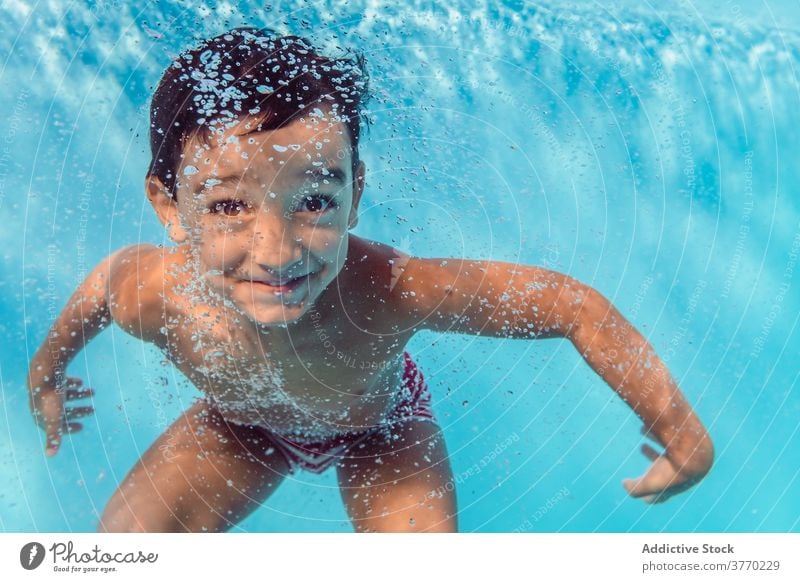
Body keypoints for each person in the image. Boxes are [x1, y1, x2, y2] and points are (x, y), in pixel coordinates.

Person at [27, 27, 713, 533]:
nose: (277, 250)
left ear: (356, 192)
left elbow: (571, 306)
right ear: (170, 208)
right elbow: (95, 293)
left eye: (316, 202)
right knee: (121, 554)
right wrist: (47, 376)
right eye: (229, 206)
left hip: (380, 430)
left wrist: (679, 431)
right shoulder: (152, 293)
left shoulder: (392, 289)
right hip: (237, 426)